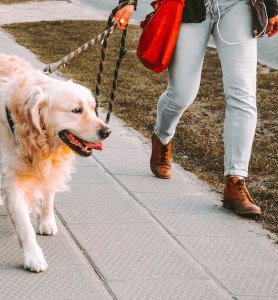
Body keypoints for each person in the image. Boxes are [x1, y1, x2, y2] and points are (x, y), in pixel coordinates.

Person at [114, 0, 278, 218]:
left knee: (243, 95)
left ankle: (235, 180)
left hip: (238, 5)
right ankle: (162, 136)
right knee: (181, 94)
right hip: (191, 5)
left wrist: (272, 8)